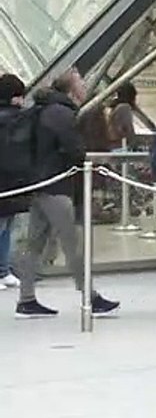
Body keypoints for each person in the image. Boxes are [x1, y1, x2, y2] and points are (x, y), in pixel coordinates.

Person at [13, 69, 120, 319]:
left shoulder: (43, 109)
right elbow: (74, 149)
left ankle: (26, 299)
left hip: (41, 184)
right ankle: (90, 298)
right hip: (56, 187)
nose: (85, 86)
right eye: (81, 82)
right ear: (71, 90)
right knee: (72, 244)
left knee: (35, 244)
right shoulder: (61, 113)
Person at [0, 74, 28, 291]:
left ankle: (3, 270)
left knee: (5, 226)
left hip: (7, 178)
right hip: (13, 179)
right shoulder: (20, 120)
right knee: (6, 226)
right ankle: (3, 270)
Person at [107, 81, 139, 150]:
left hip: (111, 145)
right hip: (118, 147)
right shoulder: (124, 108)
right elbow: (129, 130)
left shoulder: (114, 107)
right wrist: (135, 146)